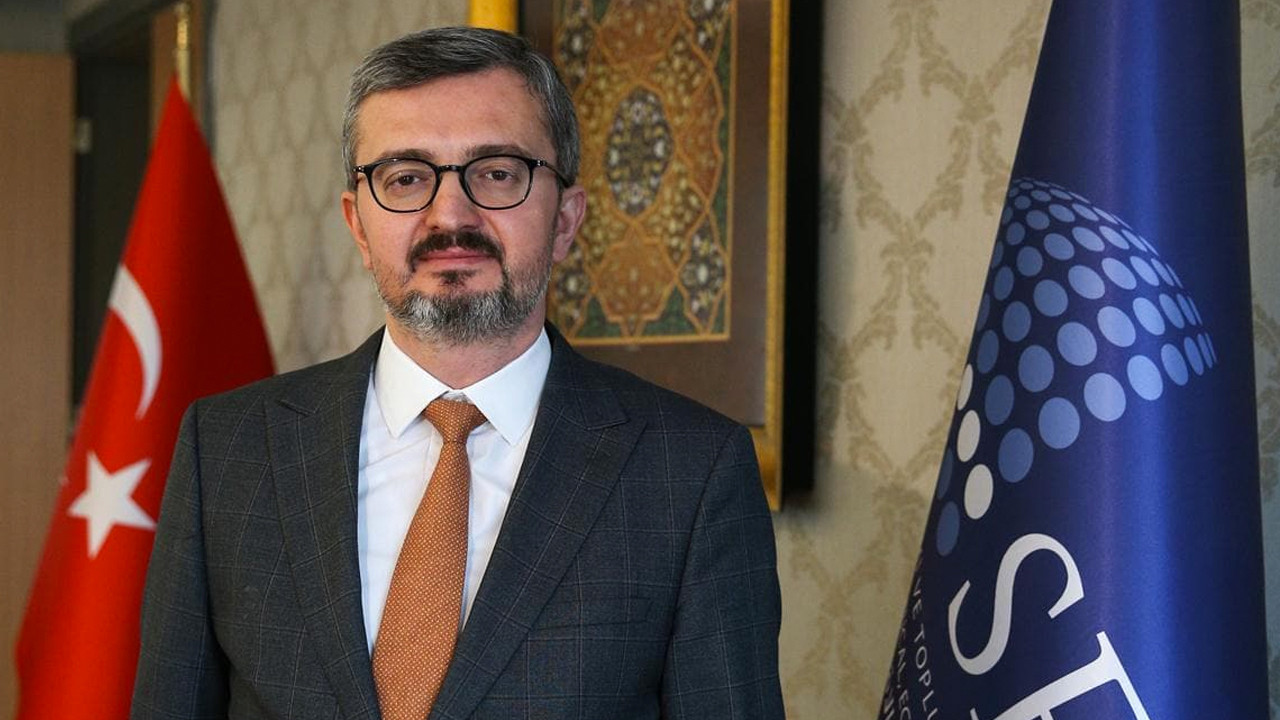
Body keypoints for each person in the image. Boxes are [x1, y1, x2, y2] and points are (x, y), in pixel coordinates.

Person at [131, 26, 783, 720]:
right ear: (358, 225)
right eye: (405, 178)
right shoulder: (227, 448)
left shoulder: (692, 470)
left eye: (497, 173)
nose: (449, 215)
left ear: (565, 220)